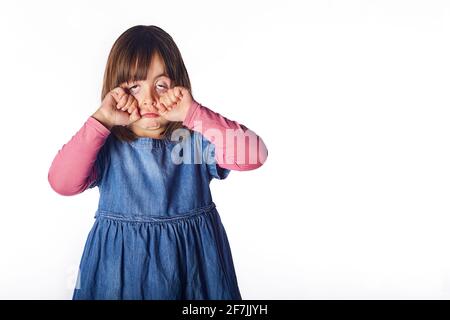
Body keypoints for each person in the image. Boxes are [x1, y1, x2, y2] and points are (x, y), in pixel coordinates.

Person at [48, 25, 268, 300]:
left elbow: (255, 154)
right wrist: (101, 121)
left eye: (161, 85)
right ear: (115, 91)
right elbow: (62, 182)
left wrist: (194, 113)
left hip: (194, 271)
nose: (149, 99)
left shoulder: (194, 141)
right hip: (120, 273)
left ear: (179, 86)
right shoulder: (105, 145)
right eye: (134, 87)